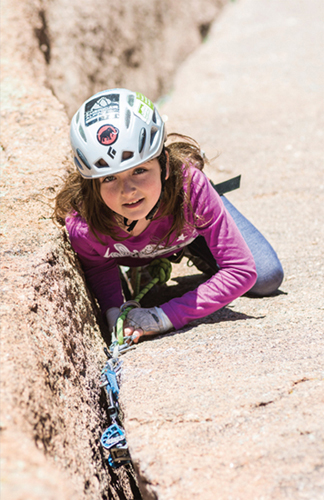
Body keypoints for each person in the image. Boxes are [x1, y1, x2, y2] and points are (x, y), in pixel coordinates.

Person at [54, 88, 283, 344]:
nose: (127, 191)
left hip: (186, 224)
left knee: (266, 278)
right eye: (109, 178)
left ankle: (194, 248)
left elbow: (241, 270)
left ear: (164, 164)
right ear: (92, 186)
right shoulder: (84, 225)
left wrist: (165, 316)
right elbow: (98, 267)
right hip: (128, 245)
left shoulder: (190, 188)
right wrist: (113, 309)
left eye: (139, 170)